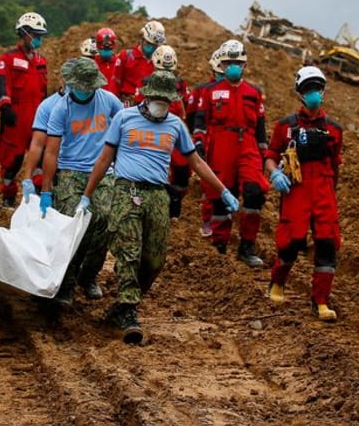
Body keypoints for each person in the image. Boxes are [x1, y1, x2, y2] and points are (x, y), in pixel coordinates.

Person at [78, 71, 239, 344]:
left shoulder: (175, 125)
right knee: (129, 252)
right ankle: (128, 309)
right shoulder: (124, 118)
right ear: (146, 95)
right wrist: (87, 195)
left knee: (154, 259)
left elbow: (196, 162)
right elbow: (105, 159)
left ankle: (123, 306)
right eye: (158, 98)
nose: (162, 104)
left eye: (168, 100)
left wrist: (222, 190)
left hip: (157, 196)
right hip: (127, 191)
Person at [39, 57, 123, 303]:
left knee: (106, 220)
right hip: (70, 172)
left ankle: (89, 275)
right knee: (73, 226)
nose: (86, 91)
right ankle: (66, 280)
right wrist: (46, 189)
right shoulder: (61, 109)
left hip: (103, 171)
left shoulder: (108, 101)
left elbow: (125, 124)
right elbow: (51, 152)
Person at [264, 66, 344, 321]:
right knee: (292, 241)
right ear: (300, 93)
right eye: (308, 89)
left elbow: (336, 164)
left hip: (324, 189)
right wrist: (275, 174)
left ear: (324, 91)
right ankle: (277, 282)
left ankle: (320, 300)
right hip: (297, 188)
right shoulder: (285, 126)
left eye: (317, 89)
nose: (313, 94)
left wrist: (331, 192)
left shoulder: (334, 129)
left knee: (327, 244)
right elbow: (270, 156)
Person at [192, 39, 268, 268]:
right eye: (228, 62)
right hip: (221, 145)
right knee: (220, 197)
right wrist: (199, 144)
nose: (233, 66)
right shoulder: (211, 92)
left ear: (244, 64)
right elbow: (200, 122)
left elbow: (262, 128)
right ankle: (219, 244)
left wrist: (263, 155)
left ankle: (247, 246)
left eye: (237, 62)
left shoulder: (254, 93)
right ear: (222, 65)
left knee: (255, 193)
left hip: (248, 145)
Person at [0, 12, 49, 207]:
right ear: (24, 33)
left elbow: (44, 90)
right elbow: (3, 84)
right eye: (35, 35)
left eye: (40, 36)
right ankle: (8, 197)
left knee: (40, 159)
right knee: (12, 160)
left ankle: (35, 197)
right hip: (16, 118)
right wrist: (5, 105)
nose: (38, 39)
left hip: (38, 117)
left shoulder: (41, 61)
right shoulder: (8, 58)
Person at [19, 59, 79, 199]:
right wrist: (27, 177)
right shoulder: (48, 106)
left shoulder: (94, 102)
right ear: (62, 80)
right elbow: (37, 144)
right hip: (56, 162)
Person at [151, 44, 193, 220]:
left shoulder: (180, 84)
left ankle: (175, 208)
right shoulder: (148, 83)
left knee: (183, 170)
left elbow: (187, 105)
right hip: (154, 132)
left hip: (175, 131)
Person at [186, 48, 224, 237]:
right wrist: (197, 139)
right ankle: (208, 220)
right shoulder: (202, 91)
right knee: (209, 181)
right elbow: (191, 116)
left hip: (224, 140)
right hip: (206, 139)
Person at [113, 20, 166, 106]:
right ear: (142, 39)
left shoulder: (158, 62)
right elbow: (115, 83)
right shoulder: (126, 56)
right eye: (149, 43)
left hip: (148, 106)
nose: (151, 47)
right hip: (126, 105)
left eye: (155, 45)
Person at [94, 27, 118, 94]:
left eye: (108, 47)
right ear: (98, 46)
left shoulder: (119, 62)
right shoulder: (93, 63)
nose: (106, 48)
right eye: (104, 47)